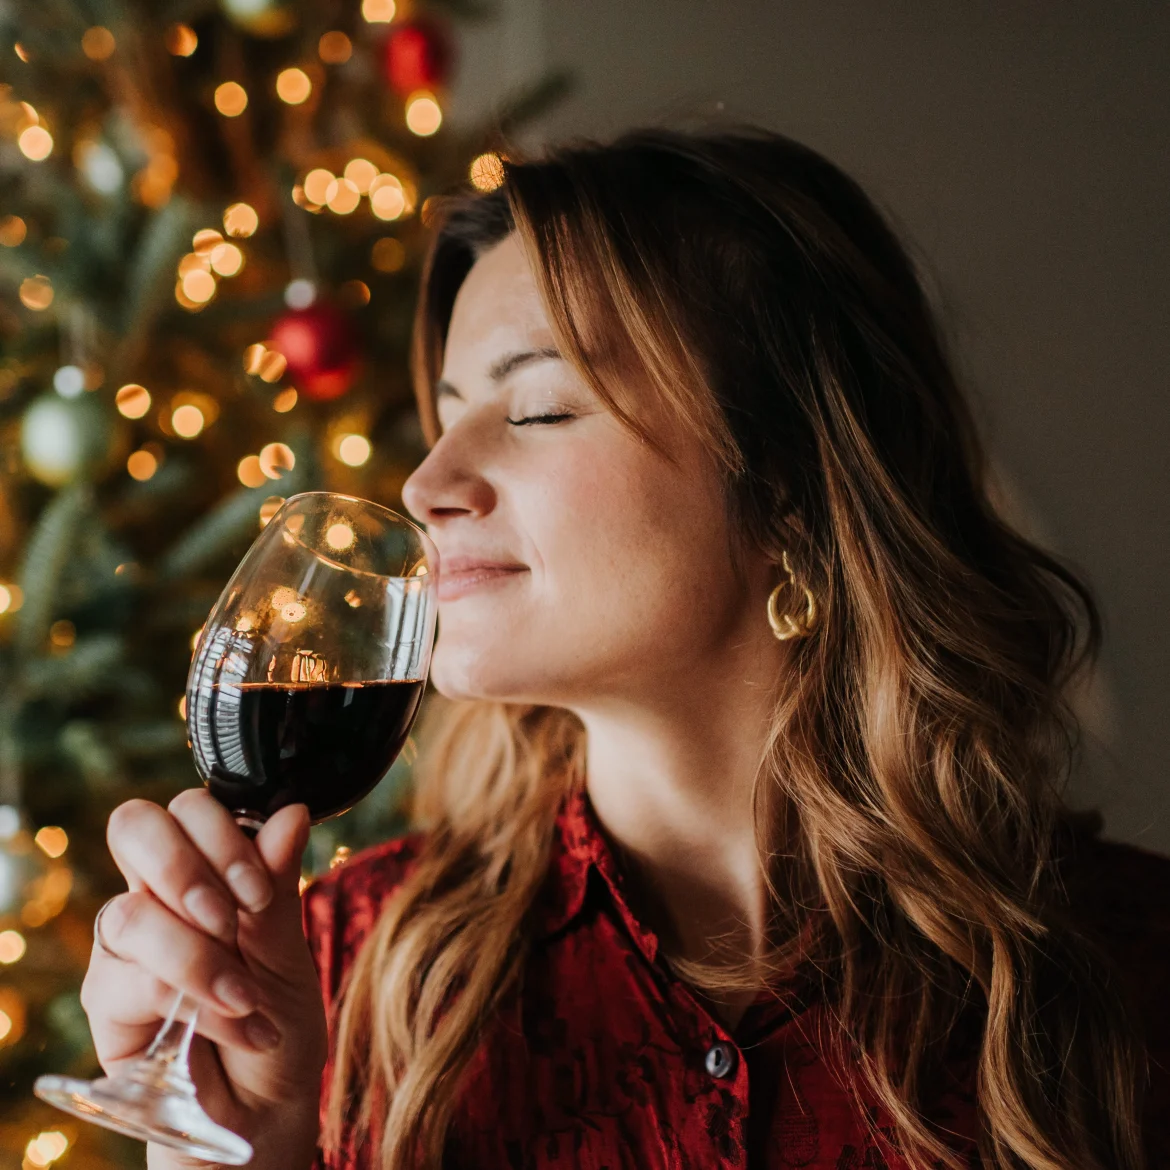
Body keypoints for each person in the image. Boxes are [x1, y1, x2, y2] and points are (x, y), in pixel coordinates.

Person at [79, 125, 1170, 1170]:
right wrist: (240, 1159)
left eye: (542, 408)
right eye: (446, 415)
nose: (424, 488)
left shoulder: (1128, 973)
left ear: (790, 484)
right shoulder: (339, 967)